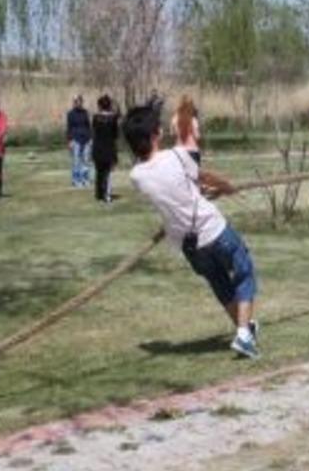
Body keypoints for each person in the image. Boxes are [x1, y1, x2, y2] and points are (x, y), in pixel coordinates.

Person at [123, 104, 261, 359]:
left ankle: (245, 329)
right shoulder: (176, 156)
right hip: (213, 229)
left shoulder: (136, 176)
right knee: (245, 271)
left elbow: (175, 191)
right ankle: (243, 333)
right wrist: (227, 187)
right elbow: (203, 176)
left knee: (220, 283)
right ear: (156, 134)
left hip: (189, 246)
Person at [91, 95, 120, 203]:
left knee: (99, 172)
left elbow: (94, 131)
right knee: (108, 173)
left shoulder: (96, 117)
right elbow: (115, 135)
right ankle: (106, 195)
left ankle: (99, 194)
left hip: (98, 148)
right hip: (108, 148)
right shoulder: (113, 119)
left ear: (100, 105)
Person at [67, 95, 92, 188]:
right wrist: (70, 140)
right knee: (76, 161)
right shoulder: (70, 114)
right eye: (76, 101)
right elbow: (69, 128)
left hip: (86, 139)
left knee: (86, 160)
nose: (78, 103)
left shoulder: (85, 112)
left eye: (80, 101)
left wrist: (90, 139)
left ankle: (85, 179)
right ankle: (76, 180)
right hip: (75, 139)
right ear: (74, 103)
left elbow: (88, 126)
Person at [171, 95, 202, 165]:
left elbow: (173, 135)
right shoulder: (193, 120)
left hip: (178, 152)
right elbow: (197, 137)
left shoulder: (174, 119)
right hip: (192, 151)